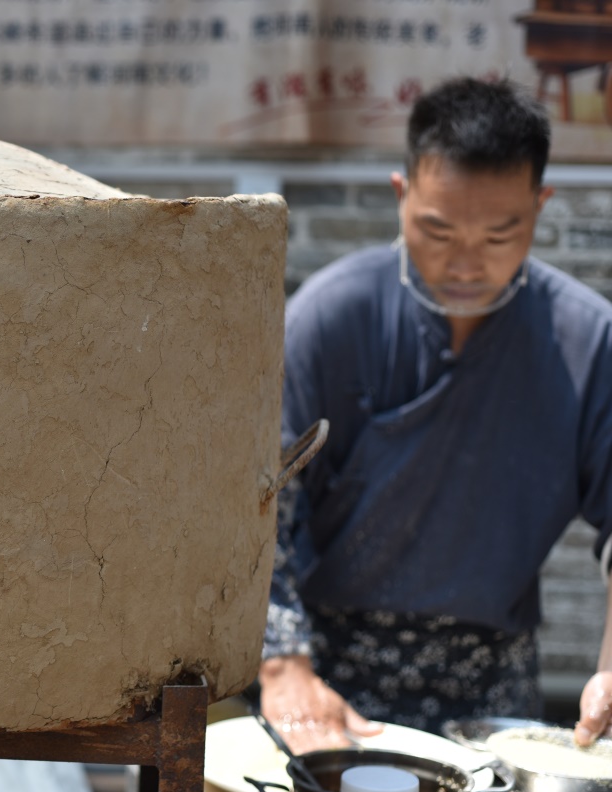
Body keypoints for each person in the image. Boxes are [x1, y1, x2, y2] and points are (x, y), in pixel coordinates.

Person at [260, 76, 612, 754]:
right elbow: (257, 505)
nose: (465, 266)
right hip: (325, 673)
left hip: (491, 683)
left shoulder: (588, 341)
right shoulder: (332, 317)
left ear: (542, 206)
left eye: (500, 235)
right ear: (402, 197)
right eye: (437, 230)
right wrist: (283, 665)